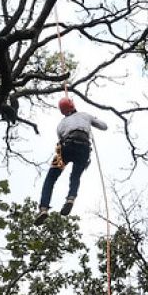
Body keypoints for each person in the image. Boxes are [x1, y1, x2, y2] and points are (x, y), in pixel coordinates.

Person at [35, 96, 107, 224]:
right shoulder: (85, 115)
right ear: (73, 105)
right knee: (75, 176)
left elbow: (61, 138)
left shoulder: (61, 124)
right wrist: (92, 120)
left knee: (51, 178)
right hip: (83, 149)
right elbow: (104, 126)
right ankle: (71, 198)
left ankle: (44, 208)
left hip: (66, 147)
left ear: (62, 111)